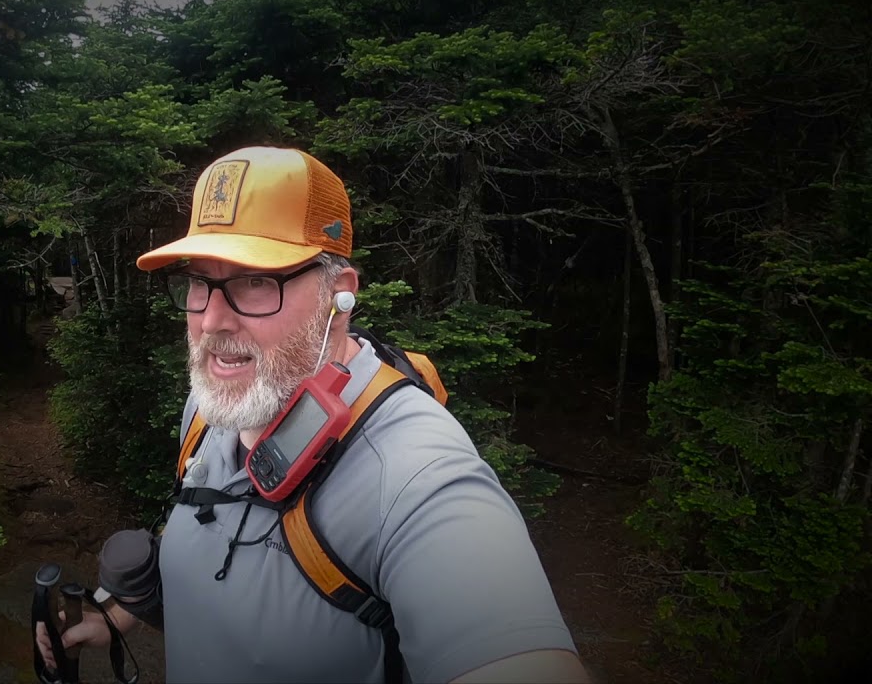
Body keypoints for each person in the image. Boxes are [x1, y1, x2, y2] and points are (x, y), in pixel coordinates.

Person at [37, 146, 588, 683]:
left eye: (255, 282)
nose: (211, 321)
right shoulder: (211, 409)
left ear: (338, 296)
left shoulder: (416, 476)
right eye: (200, 282)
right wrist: (118, 612)